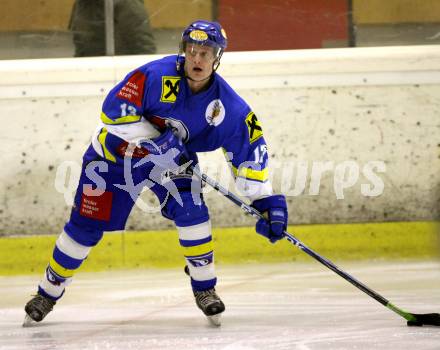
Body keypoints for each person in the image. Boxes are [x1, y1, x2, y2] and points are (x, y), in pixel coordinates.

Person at [24, 20, 288, 327]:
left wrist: (265, 201)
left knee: (193, 213)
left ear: (217, 57)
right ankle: (47, 292)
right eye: (192, 51)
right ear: (183, 51)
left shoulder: (228, 107)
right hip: (115, 156)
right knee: (85, 228)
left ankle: (205, 288)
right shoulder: (152, 75)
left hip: (172, 163)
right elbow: (112, 113)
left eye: (205, 53)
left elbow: (249, 150)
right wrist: (154, 139)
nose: (197, 59)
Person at [70, 0, 156, 56]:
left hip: (120, 73)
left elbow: (144, 49)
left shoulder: (127, 4)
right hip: (92, 72)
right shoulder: (81, 5)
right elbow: (80, 47)